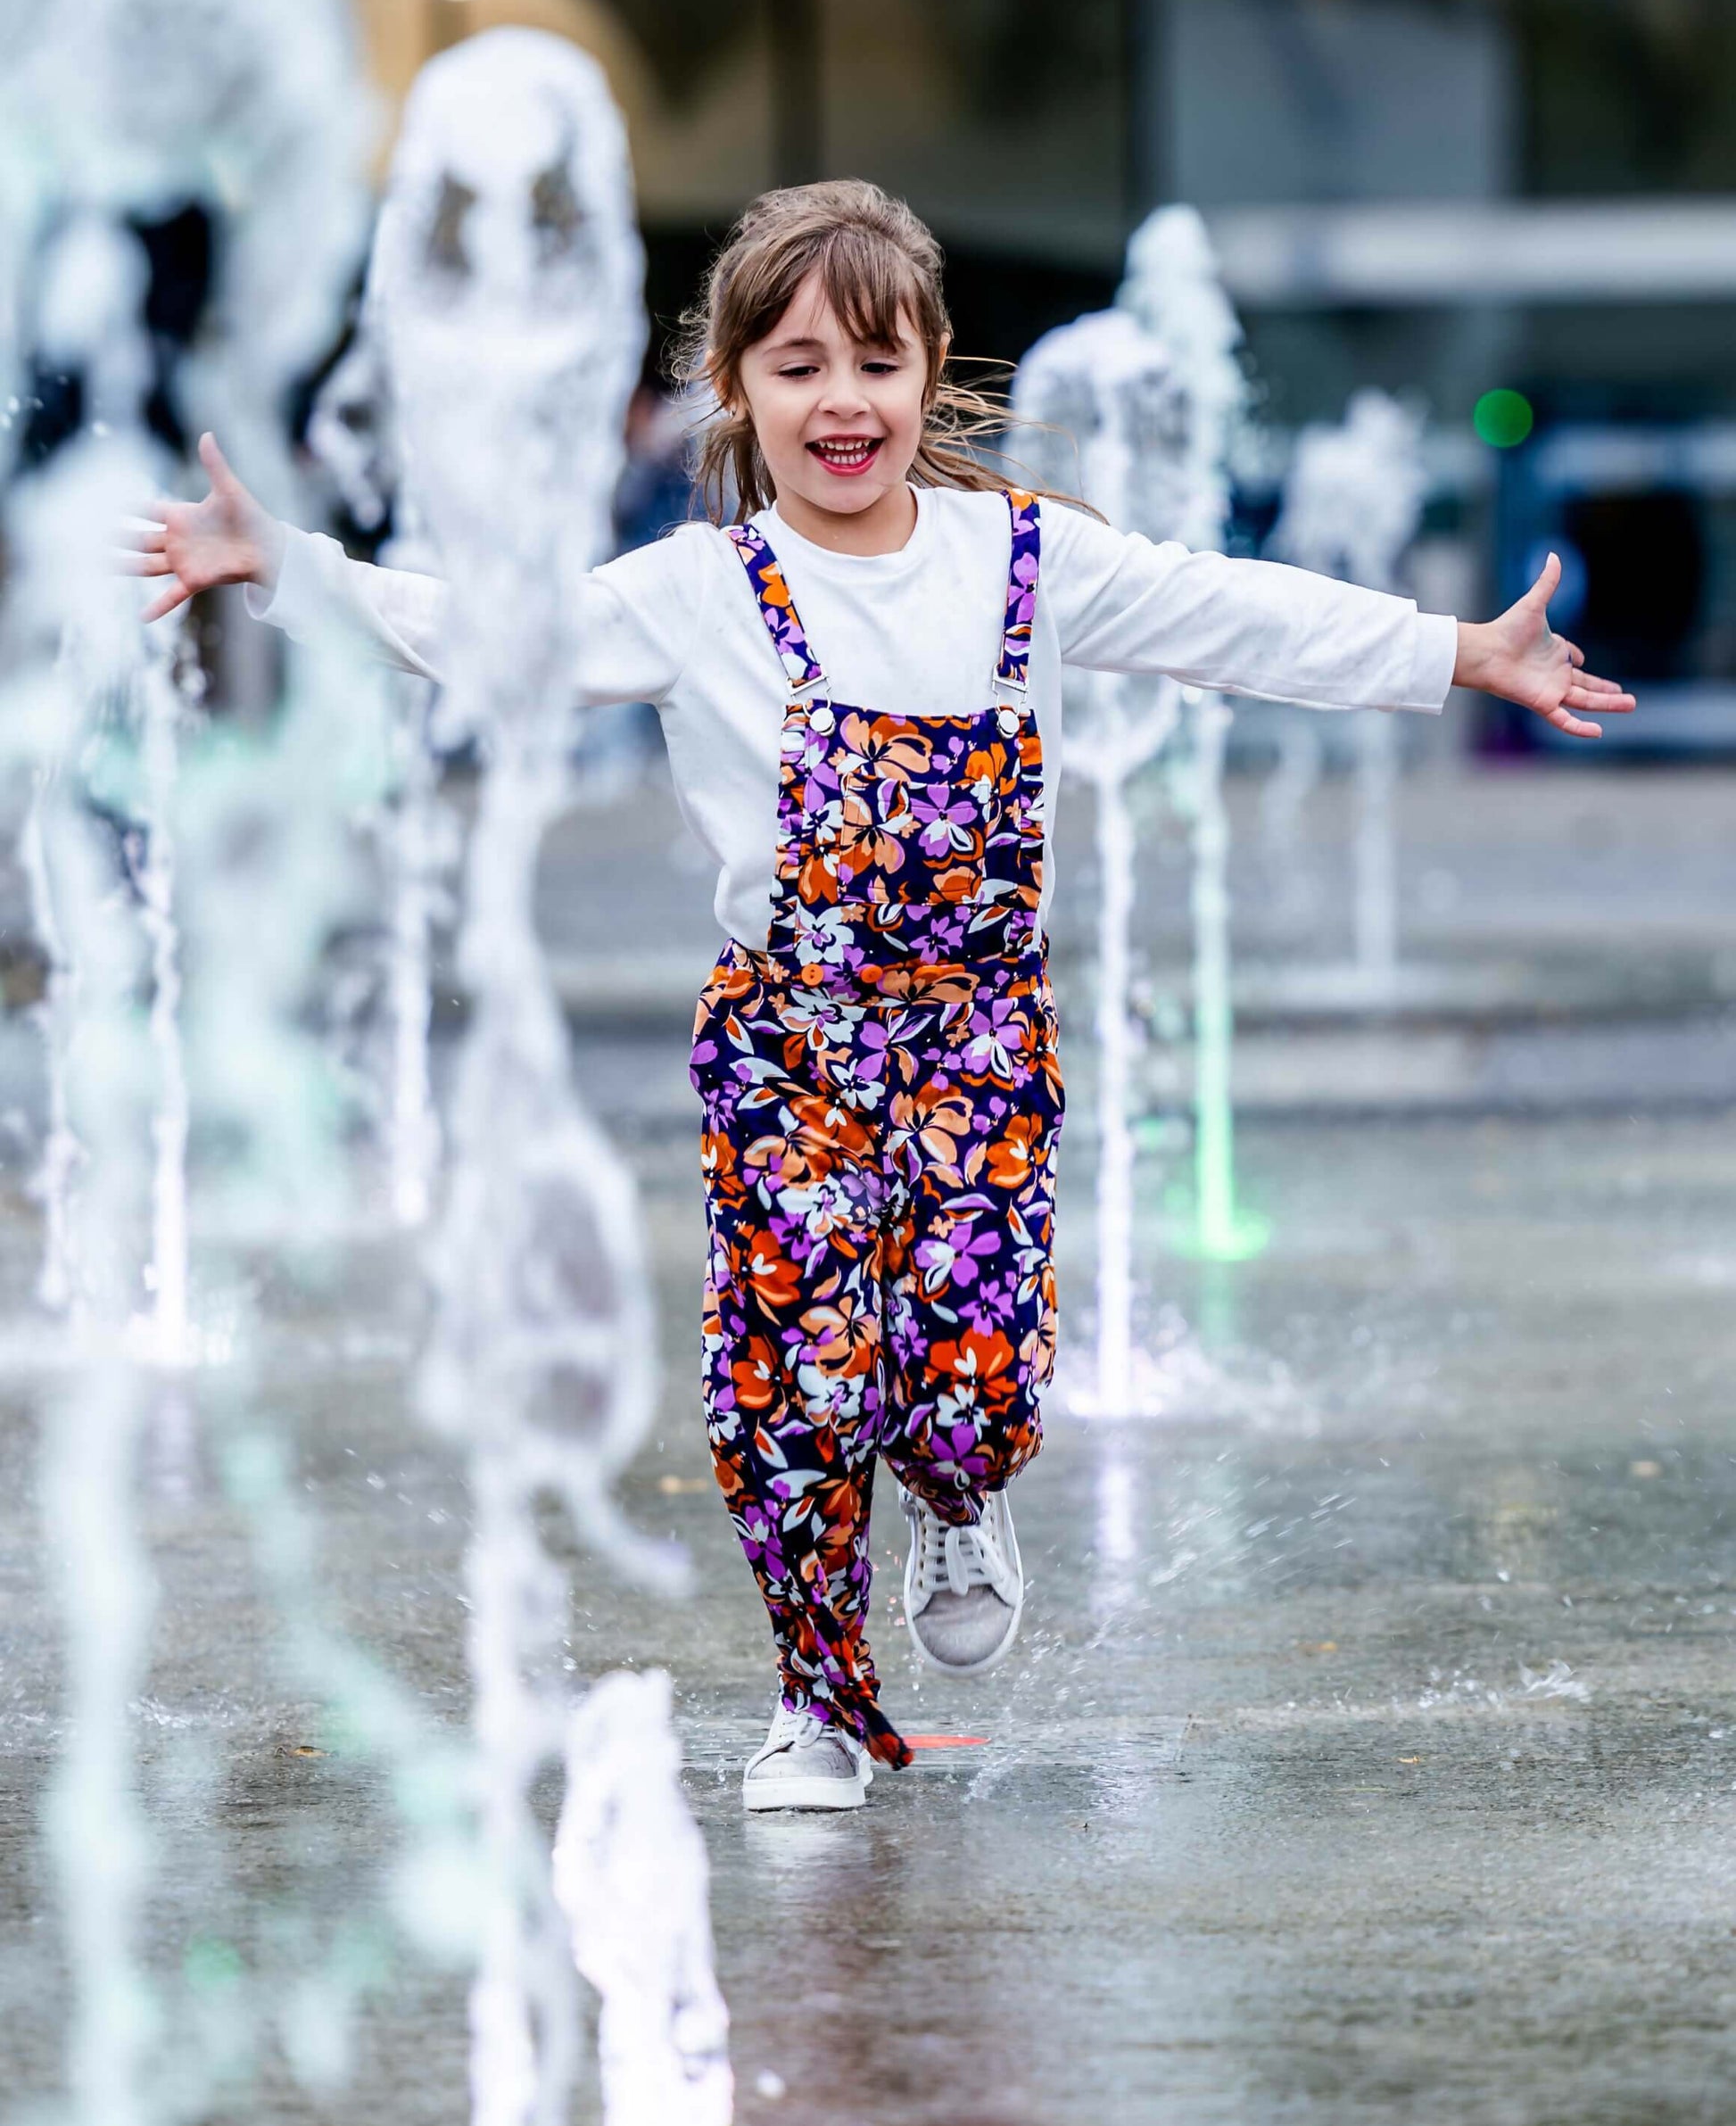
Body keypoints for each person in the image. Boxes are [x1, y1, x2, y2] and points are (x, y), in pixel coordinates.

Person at [132, 179, 1634, 1812]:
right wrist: (278, 561)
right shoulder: (698, 589)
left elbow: (1233, 611)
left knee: (974, 1369)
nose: (837, 401)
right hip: (789, 1042)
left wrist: (1455, 651)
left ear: (928, 377)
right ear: (737, 392)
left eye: (872, 361)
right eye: (793, 367)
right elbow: (487, 635)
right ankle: (815, 1701)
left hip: (979, 1040)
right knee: (787, 1381)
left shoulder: (1024, 557)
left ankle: (955, 1487)